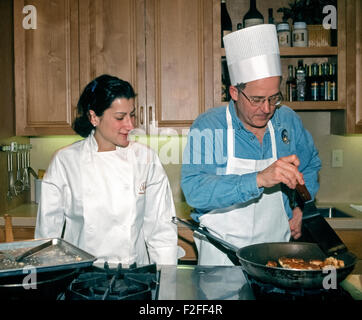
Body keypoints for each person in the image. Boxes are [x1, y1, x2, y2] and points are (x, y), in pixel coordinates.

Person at [181, 25, 321, 266]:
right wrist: (258, 179)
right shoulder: (210, 126)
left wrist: (300, 209)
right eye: (256, 100)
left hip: (276, 256)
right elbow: (195, 190)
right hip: (221, 257)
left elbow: (309, 166)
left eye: (273, 98)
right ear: (234, 92)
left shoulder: (287, 120)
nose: (266, 109)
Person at [35, 74, 178, 265]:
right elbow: (47, 234)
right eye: (120, 117)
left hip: (134, 275)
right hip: (82, 276)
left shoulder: (146, 158)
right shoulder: (65, 161)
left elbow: (161, 229)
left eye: (132, 114)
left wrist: (167, 284)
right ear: (94, 117)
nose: (130, 125)